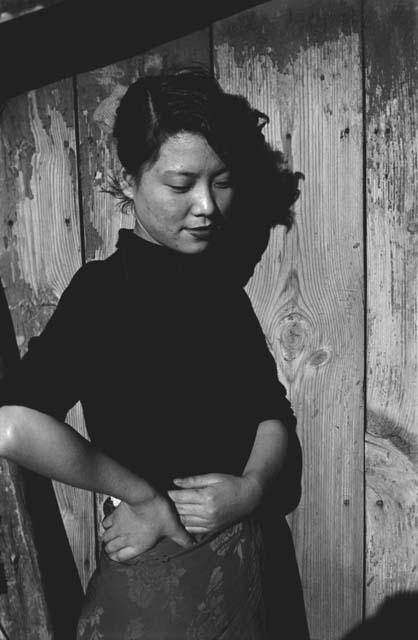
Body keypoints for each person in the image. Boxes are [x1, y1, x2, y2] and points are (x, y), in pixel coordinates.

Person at [0, 69, 308, 639]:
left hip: (249, 569)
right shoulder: (102, 293)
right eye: (180, 183)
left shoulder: (222, 293)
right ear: (129, 182)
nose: (206, 205)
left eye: (221, 181)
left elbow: (271, 412)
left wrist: (252, 490)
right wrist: (143, 498)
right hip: (156, 586)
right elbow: (13, 425)